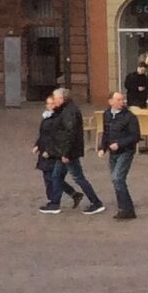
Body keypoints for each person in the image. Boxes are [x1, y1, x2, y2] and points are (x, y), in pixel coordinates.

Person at [33, 87, 106, 215]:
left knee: (78, 177)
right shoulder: (65, 110)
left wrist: (65, 153)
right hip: (65, 151)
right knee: (56, 176)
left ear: (61, 98)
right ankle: (55, 203)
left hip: (68, 152)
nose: (54, 101)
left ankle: (96, 202)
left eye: (55, 99)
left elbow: (69, 134)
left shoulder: (69, 112)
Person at [99, 89, 141, 220]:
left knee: (117, 178)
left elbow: (135, 136)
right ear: (110, 102)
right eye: (118, 100)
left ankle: (127, 209)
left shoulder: (129, 117)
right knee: (116, 180)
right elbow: (106, 132)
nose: (122, 102)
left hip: (126, 151)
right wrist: (103, 147)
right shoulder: (107, 114)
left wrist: (120, 144)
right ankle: (123, 207)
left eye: (122, 99)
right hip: (113, 153)